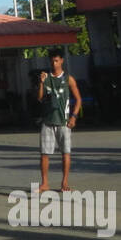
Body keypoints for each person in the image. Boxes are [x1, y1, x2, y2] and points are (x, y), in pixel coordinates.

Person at [37, 50, 81, 193]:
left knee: (65, 153)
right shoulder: (46, 77)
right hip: (48, 121)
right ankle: (44, 184)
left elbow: (78, 99)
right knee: (44, 153)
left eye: (56, 60)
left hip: (63, 122)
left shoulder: (68, 79)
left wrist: (74, 116)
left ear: (61, 61)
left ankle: (64, 183)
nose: (53, 63)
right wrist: (41, 83)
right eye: (52, 61)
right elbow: (39, 98)